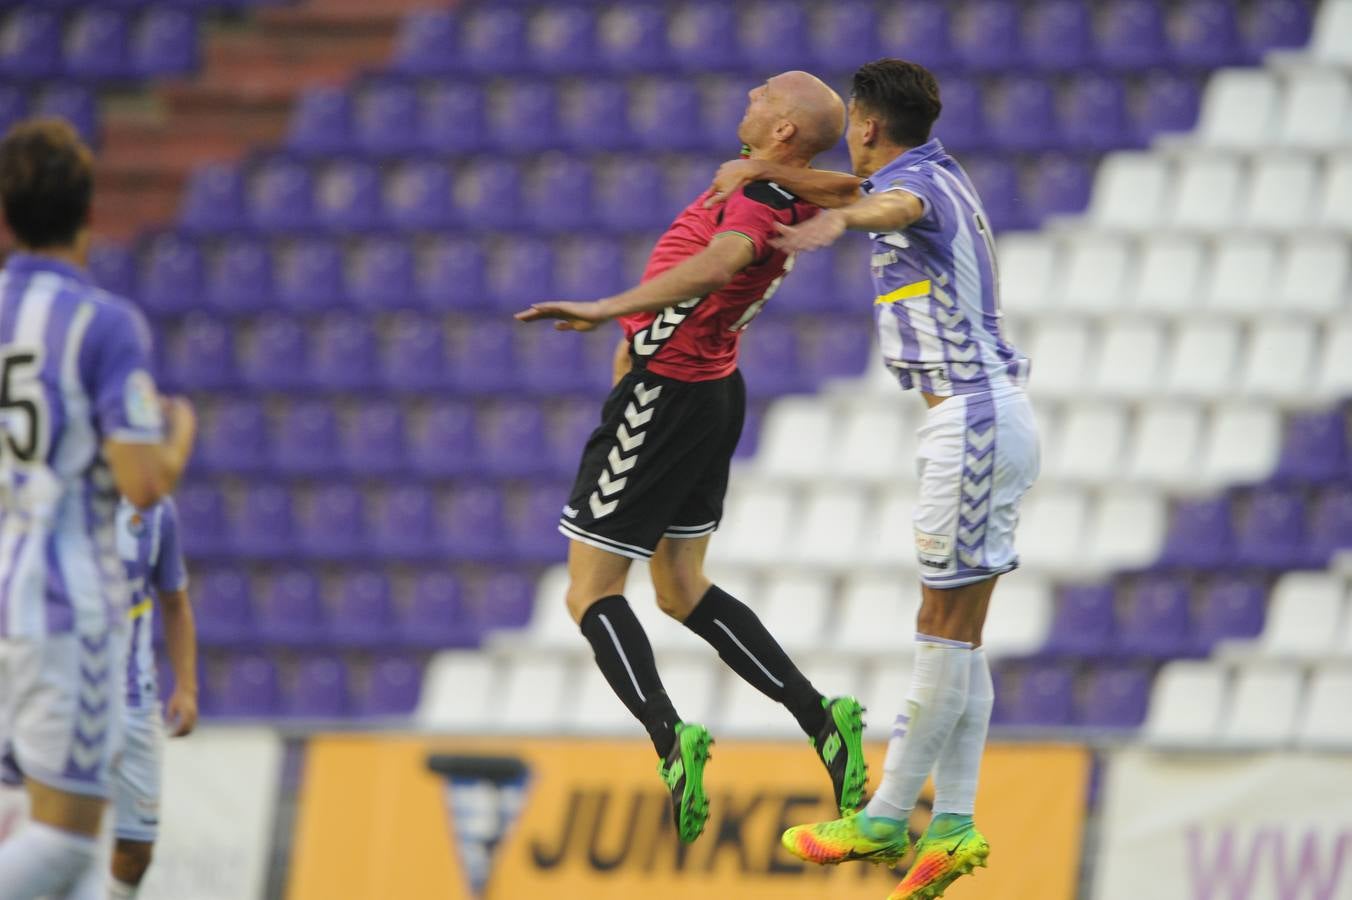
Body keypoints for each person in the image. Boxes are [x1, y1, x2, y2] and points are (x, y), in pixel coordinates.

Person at [708, 59, 1040, 899]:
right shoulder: (926, 164)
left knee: (940, 624)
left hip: (971, 418)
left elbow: (893, 208)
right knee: (960, 633)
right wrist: (777, 175)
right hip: (981, 419)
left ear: (862, 122)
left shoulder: (907, 191)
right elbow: (858, 187)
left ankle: (889, 815)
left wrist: (845, 218)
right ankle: (955, 826)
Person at [515, 71, 869, 844]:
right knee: (678, 588)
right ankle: (823, 721)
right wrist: (771, 169)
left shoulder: (758, 197)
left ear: (783, 131)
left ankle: (671, 739)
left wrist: (607, 308)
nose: (752, 90)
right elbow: (851, 185)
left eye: (767, 92)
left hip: (665, 394)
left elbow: (722, 260)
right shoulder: (790, 185)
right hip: (713, 391)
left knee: (588, 593)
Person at [0, 119, 196, 899]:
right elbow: (144, 484)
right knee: (65, 846)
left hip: (6, 587)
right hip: (67, 607)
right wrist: (180, 434)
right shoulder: (103, 324)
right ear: (89, 212)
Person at [109, 495, 197, 898]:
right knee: (54, 830)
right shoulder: (52, 491)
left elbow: (175, 601)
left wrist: (186, 686)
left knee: (136, 851)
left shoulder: (156, 510)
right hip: (61, 694)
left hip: (133, 698)